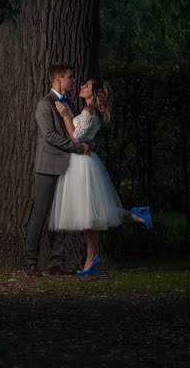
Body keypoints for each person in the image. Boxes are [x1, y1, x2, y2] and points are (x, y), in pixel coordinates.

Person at [51, 76, 152, 276]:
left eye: (86, 86)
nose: (81, 86)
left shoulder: (89, 111)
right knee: (90, 212)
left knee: (89, 212)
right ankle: (93, 258)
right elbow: (86, 136)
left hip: (82, 165)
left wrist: (64, 116)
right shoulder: (89, 111)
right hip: (81, 161)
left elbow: (77, 136)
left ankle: (135, 217)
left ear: (94, 93)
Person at [23, 64, 94, 276]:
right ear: (58, 80)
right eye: (70, 77)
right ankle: (30, 262)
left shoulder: (70, 103)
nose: (73, 80)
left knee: (58, 215)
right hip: (47, 167)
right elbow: (50, 137)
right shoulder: (44, 105)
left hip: (67, 167)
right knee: (40, 214)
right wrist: (78, 148)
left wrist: (90, 145)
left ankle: (56, 262)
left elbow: (77, 133)